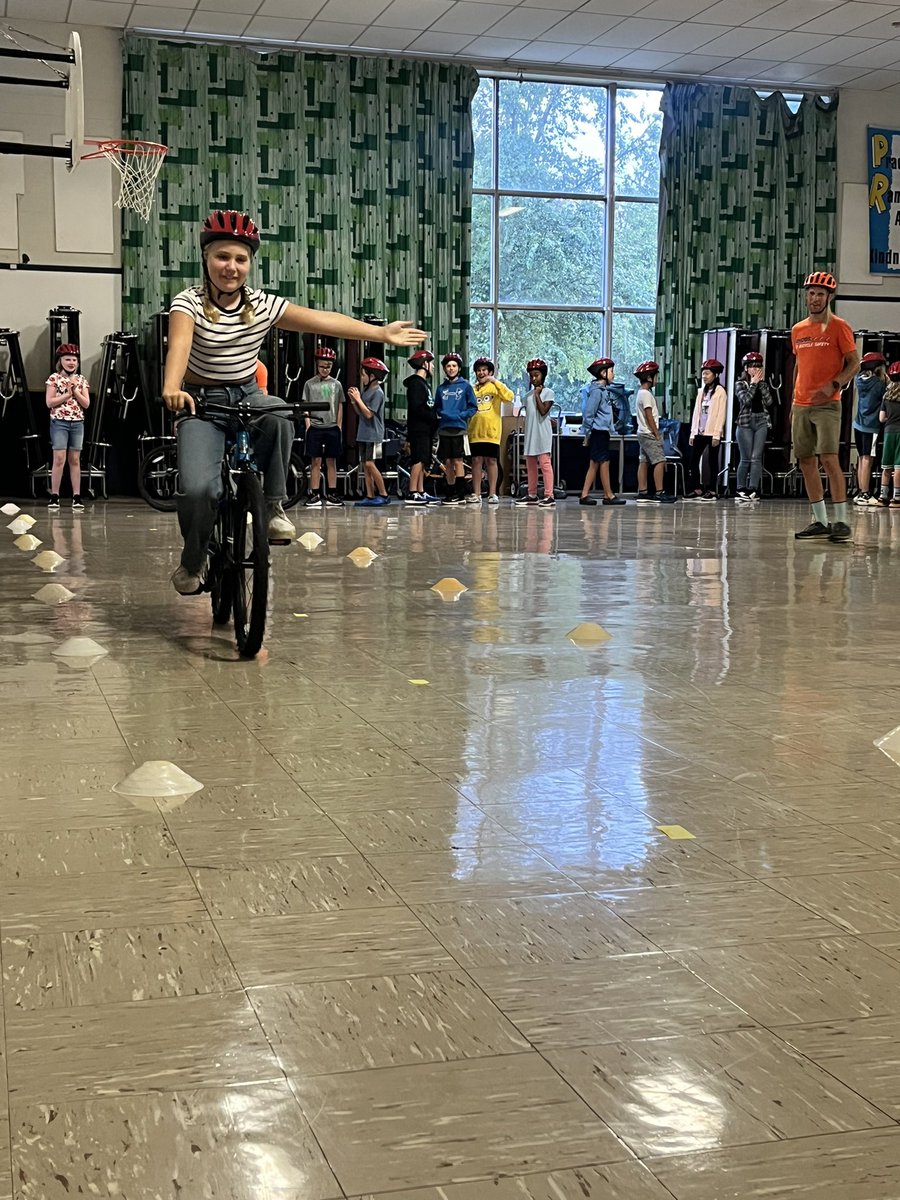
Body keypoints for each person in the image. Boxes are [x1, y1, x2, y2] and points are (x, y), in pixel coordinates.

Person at [163, 210, 425, 594]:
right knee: (199, 490)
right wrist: (172, 386)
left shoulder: (262, 305)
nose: (231, 267)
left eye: (240, 259)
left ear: (250, 263)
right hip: (201, 403)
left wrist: (380, 333)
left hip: (248, 395)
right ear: (206, 257)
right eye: (222, 256)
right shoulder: (189, 303)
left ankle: (272, 505)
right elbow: (180, 344)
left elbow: (323, 320)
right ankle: (194, 560)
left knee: (280, 416)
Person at [790, 270, 860, 543]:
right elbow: (799, 366)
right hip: (801, 405)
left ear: (829, 297)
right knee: (806, 461)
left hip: (828, 405)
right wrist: (792, 404)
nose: (815, 298)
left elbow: (854, 363)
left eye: (820, 293)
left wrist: (836, 384)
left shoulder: (839, 327)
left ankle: (841, 521)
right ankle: (820, 521)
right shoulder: (798, 330)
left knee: (829, 458)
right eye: (811, 293)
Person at [46, 343, 90, 511]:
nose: (71, 363)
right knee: (59, 458)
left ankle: (76, 496)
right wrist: (67, 394)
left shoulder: (81, 380)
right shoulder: (54, 378)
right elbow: (49, 402)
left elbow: (86, 403)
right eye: (67, 359)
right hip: (59, 422)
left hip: (77, 423)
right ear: (60, 361)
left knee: (75, 459)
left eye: (74, 360)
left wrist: (75, 391)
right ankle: (54, 495)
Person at [302, 346, 344, 509]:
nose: (325, 369)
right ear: (317, 365)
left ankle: (332, 493)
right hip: (315, 426)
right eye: (322, 366)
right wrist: (308, 425)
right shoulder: (309, 384)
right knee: (316, 461)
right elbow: (306, 405)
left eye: (328, 366)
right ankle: (314, 493)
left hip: (332, 426)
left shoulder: (336, 384)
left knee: (331, 460)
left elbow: (339, 405)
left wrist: (339, 426)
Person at [579, 357, 625, 506]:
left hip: (603, 431)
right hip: (598, 432)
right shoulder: (597, 392)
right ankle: (608, 495)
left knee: (596, 463)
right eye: (611, 371)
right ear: (603, 373)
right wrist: (587, 433)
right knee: (603, 462)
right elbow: (589, 413)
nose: (613, 374)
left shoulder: (603, 391)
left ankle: (587, 494)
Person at [434, 352, 478, 506]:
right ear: (444, 369)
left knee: (458, 461)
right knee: (447, 461)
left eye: (454, 365)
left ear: (459, 368)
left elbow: (473, 407)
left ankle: (460, 494)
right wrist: (442, 414)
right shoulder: (441, 389)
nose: (451, 368)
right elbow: (437, 407)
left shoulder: (466, 386)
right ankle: (450, 492)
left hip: (459, 428)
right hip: (444, 428)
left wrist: (461, 415)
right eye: (448, 366)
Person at [470, 356, 513, 505]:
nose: (481, 373)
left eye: (484, 370)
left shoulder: (495, 387)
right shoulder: (472, 389)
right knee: (476, 461)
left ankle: (492, 493)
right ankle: (476, 494)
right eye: (478, 370)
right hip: (475, 432)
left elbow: (509, 397)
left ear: (490, 372)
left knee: (491, 461)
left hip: (492, 432)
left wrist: (495, 381)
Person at [348, 357, 390, 507]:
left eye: (364, 374)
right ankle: (370, 495)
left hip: (373, 434)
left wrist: (358, 399)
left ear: (372, 376)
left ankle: (383, 494)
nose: (362, 377)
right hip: (363, 433)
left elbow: (369, 414)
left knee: (370, 464)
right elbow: (360, 412)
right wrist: (354, 401)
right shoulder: (366, 391)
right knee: (365, 466)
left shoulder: (378, 392)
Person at [733, 350, 774, 502]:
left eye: (758, 366)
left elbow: (769, 402)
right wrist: (753, 384)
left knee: (756, 458)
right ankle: (740, 488)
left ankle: (753, 489)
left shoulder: (763, 384)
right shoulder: (740, 384)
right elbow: (745, 400)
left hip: (761, 421)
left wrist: (761, 385)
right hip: (745, 423)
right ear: (746, 368)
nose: (756, 369)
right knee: (745, 458)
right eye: (752, 366)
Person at [515, 357, 556, 508]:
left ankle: (549, 495)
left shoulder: (549, 393)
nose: (533, 378)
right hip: (530, 433)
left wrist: (537, 395)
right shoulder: (527, 396)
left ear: (543, 375)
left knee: (545, 463)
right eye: (531, 375)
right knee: (530, 463)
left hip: (543, 434)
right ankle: (532, 494)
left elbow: (543, 411)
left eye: (536, 375)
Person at [633, 361, 674, 504]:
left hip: (642, 432)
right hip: (648, 433)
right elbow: (649, 415)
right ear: (649, 378)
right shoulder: (646, 394)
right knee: (660, 460)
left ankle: (643, 491)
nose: (657, 379)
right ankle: (659, 492)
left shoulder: (641, 393)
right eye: (655, 376)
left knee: (644, 461)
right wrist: (656, 433)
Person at [686, 358, 726, 501]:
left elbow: (721, 414)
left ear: (716, 375)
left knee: (712, 461)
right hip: (700, 431)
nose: (704, 376)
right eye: (703, 373)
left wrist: (717, 434)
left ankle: (712, 490)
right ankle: (697, 489)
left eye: (707, 373)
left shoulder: (720, 391)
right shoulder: (701, 392)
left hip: (712, 432)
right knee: (693, 460)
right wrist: (693, 432)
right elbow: (696, 412)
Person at [403, 349, 439, 506]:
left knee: (424, 460)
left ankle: (421, 490)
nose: (433, 367)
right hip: (418, 429)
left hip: (426, 429)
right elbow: (417, 408)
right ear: (424, 364)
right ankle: (413, 492)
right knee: (417, 459)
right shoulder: (416, 384)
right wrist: (432, 417)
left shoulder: (424, 384)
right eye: (431, 363)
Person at [853, 351, 888, 507]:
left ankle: (860, 491)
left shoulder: (859, 380)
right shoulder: (879, 385)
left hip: (858, 424)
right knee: (868, 459)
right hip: (871, 426)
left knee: (861, 458)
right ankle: (865, 493)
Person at [877, 361, 900, 508]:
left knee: (886, 466)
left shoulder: (887, 396)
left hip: (888, 432)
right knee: (899, 467)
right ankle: (897, 498)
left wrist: (890, 419)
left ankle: (883, 496)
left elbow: (881, 418)